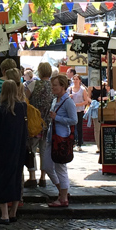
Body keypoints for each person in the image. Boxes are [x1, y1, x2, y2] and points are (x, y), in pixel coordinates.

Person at [0, 79, 27, 225]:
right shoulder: (22, 107)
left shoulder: (0, 110)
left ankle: (4, 214)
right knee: (16, 178)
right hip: (19, 147)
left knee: (2, 179)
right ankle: (13, 213)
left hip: (4, 148)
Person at [46, 74, 77, 208]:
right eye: (52, 85)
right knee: (46, 166)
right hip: (51, 136)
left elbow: (74, 120)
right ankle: (62, 191)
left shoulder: (68, 101)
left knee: (60, 168)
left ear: (62, 86)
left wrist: (57, 118)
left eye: (55, 85)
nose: (52, 87)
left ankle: (63, 198)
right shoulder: (55, 100)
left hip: (61, 138)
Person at [25, 62, 54, 187]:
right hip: (49, 122)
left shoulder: (33, 84)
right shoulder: (54, 86)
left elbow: (24, 100)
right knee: (44, 150)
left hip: (34, 122)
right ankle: (43, 177)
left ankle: (32, 177)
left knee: (31, 149)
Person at [68, 72, 89, 149]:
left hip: (80, 110)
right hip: (71, 111)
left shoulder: (82, 90)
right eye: (74, 79)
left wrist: (77, 104)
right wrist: (69, 97)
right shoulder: (69, 89)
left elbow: (86, 101)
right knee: (71, 127)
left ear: (80, 80)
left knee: (79, 127)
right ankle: (72, 142)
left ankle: (79, 143)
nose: (75, 81)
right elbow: (66, 99)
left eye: (77, 79)